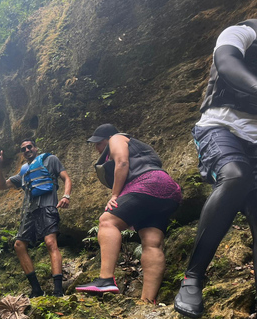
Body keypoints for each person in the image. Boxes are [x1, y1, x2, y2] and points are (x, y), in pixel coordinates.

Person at [174, 19, 257, 318]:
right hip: (220, 127)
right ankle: (192, 278)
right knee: (235, 176)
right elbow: (227, 62)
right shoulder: (243, 31)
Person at [75, 124, 181, 303]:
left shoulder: (117, 138)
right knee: (152, 243)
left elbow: (123, 162)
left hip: (147, 183)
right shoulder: (141, 149)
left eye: (98, 143)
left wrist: (115, 195)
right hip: (168, 190)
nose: (96, 148)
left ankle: (106, 279)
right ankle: (147, 301)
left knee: (107, 221)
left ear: (107, 138)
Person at [0, 138, 72, 297]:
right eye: (24, 149)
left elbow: (66, 178)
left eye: (30, 147)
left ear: (35, 148)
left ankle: (58, 290)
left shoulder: (50, 160)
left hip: (48, 206)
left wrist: (66, 196)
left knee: (50, 243)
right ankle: (36, 289)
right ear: (22, 153)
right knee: (19, 245)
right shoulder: (23, 171)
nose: (27, 150)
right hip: (30, 211)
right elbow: (2, 186)